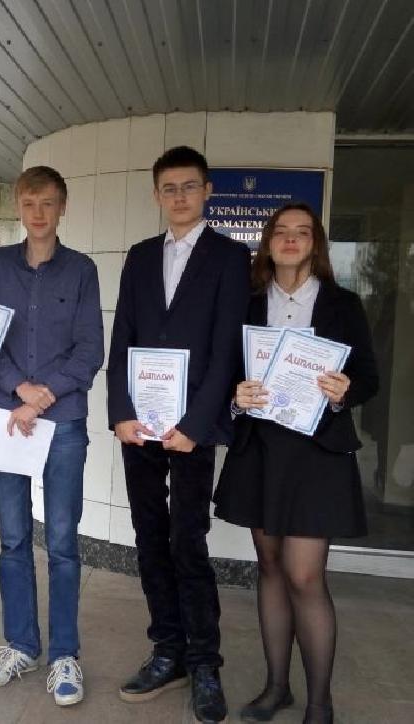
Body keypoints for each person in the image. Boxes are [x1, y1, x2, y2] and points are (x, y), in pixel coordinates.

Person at [213, 203, 378, 724]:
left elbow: (368, 377)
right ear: (268, 242)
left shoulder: (343, 304)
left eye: (301, 232)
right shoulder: (247, 303)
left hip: (316, 455)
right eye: (281, 232)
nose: (290, 240)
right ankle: (277, 687)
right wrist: (236, 398)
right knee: (269, 568)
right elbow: (226, 374)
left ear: (315, 243)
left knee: (304, 576)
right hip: (261, 450)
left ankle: (320, 703)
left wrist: (344, 392)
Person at [107, 145, 251, 723]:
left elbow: (226, 348)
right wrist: (120, 411)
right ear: (157, 195)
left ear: (208, 191)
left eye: (190, 186)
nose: (180, 196)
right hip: (140, 425)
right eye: (169, 188)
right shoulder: (141, 256)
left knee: (187, 542)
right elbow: (123, 335)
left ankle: (204, 662)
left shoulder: (230, 257)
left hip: (192, 428)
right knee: (149, 538)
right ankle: (167, 650)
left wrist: (195, 425)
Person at [0, 166, 104, 707]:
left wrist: (41, 396)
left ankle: (64, 654)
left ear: (63, 206)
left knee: (64, 541)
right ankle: (21, 644)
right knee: (11, 538)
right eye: (29, 203)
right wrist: (17, 390)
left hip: (62, 421)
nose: (38, 213)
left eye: (48, 203)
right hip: (7, 418)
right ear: (19, 207)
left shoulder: (82, 270)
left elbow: (90, 349)